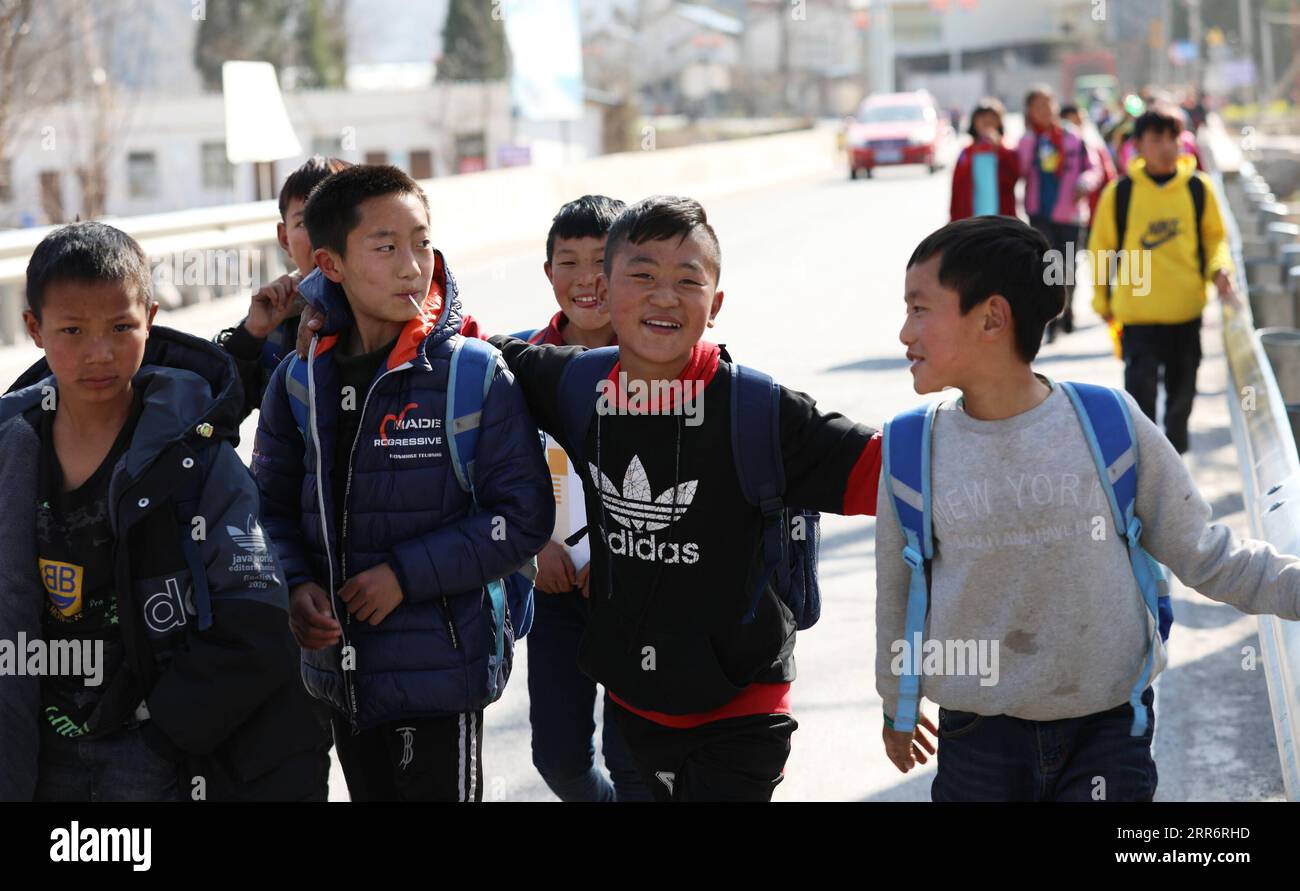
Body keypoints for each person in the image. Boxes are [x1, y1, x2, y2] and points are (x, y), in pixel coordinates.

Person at [876, 215, 1300, 801]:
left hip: (1109, 727)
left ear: (992, 318)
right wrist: (896, 702)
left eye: (920, 309)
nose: (904, 332)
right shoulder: (910, 447)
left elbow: (1203, 552)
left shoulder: (1106, 424)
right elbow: (897, 590)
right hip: (977, 737)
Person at [481, 196, 884, 801]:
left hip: (741, 711)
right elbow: (462, 346)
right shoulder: (576, 384)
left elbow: (898, 472)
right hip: (635, 703)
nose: (663, 297)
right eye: (641, 276)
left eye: (687, 281)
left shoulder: (761, 413)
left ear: (714, 304)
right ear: (607, 292)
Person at [252, 165, 553, 801]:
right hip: (340, 672)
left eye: (421, 243)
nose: (412, 265)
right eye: (385, 247)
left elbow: (522, 517)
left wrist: (404, 576)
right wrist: (297, 586)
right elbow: (267, 508)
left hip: (443, 673)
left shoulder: (473, 373)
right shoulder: (299, 379)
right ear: (330, 264)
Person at [0, 222, 323, 801]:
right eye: (72, 330)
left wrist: (162, 736)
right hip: (41, 757)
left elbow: (254, 620)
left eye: (121, 327)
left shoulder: (197, 456)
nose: (99, 352)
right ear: (34, 329)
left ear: (150, 318)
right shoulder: (10, 456)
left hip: (161, 750)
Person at [517, 195, 651, 802]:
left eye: (601, 260)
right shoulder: (518, 364)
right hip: (554, 593)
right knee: (559, 760)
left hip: (639, 593)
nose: (585, 279)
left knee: (637, 759)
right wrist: (531, 549)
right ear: (548, 274)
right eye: (567, 262)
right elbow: (494, 477)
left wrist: (618, 556)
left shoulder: (658, 359)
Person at [1088, 105, 1241, 455]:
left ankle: (1174, 458)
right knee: (1139, 399)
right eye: (1156, 139)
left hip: (1185, 312)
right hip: (1137, 315)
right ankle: (1147, 462)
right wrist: (1101, 301)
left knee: (1182, 394)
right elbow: (1101, 249)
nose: (1166, 147)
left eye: (1173, 138)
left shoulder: (1198, 189)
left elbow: (1215, 238)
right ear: (1138, 144)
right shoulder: (1120, 193)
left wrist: (1220, 270)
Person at [215, 156, 351, 422]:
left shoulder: (386, 308)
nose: (320, 234)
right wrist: (251, 335)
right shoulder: (276, 318)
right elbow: (212, 416)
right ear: (284, 239)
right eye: (304, 223)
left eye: (336, 218)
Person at [1018, 85, 1099, 341]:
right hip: (1039, 211)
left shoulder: (1072, 136)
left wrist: (1084, 184)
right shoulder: (1028, 140)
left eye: (1048, 104)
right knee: (1048, 266)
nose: (1045, 110)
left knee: (1068, 266)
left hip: (1071, 213)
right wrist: (1029, 141)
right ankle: (1052, 318)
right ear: (1029, 111)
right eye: (1038, 105)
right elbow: (1018, 169)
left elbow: (1093, 168)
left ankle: (1068, 309)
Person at [949, 98, 1019, 221]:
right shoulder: (966, 153)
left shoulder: (1007, 151)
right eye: (982, 118)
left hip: (1001, 218)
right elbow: (956, 189)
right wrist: (953, 217)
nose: (987, 122)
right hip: (972, 219)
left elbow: (1015, 176)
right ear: (974, 122)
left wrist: (1000, 149)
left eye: (992, 118)